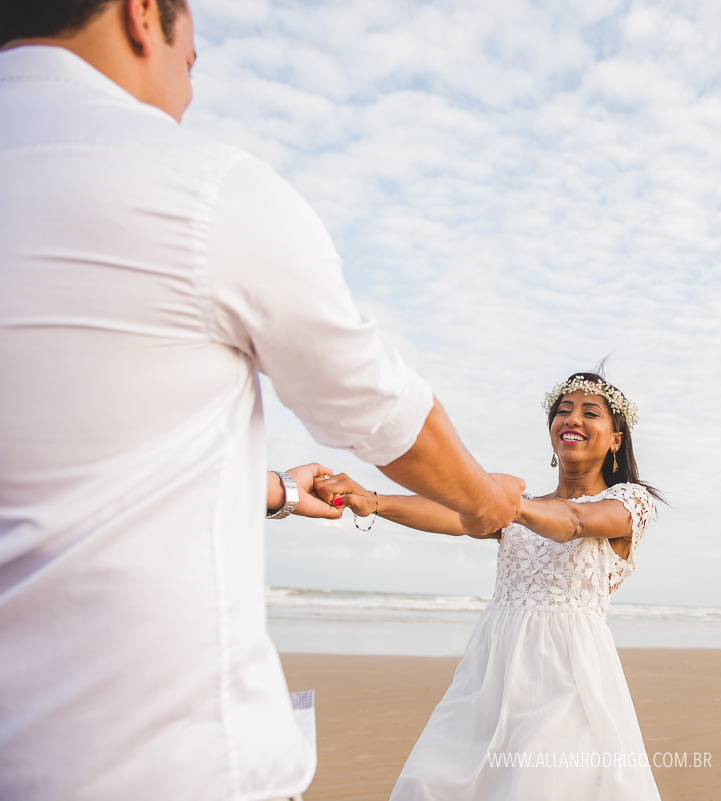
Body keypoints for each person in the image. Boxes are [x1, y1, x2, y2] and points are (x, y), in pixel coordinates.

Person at [0, 2, 524, 800]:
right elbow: (379, 409)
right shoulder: (201, 188)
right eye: (194, 62)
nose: (188, 90)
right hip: (163, 767)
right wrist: (485, 504)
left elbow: (59, 473)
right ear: (146, 17)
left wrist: (278, 492)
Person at [315, 371, 664, 800]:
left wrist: (504, 502)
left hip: (568, 672)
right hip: (489, 669)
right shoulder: (522, 507)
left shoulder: (630, 502)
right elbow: (454, 518)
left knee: (537, 787)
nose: (572, 419)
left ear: (615, 439)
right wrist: (374, 501)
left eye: (590, 412)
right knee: (428, 781)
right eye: (562, 411)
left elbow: (573, 522)